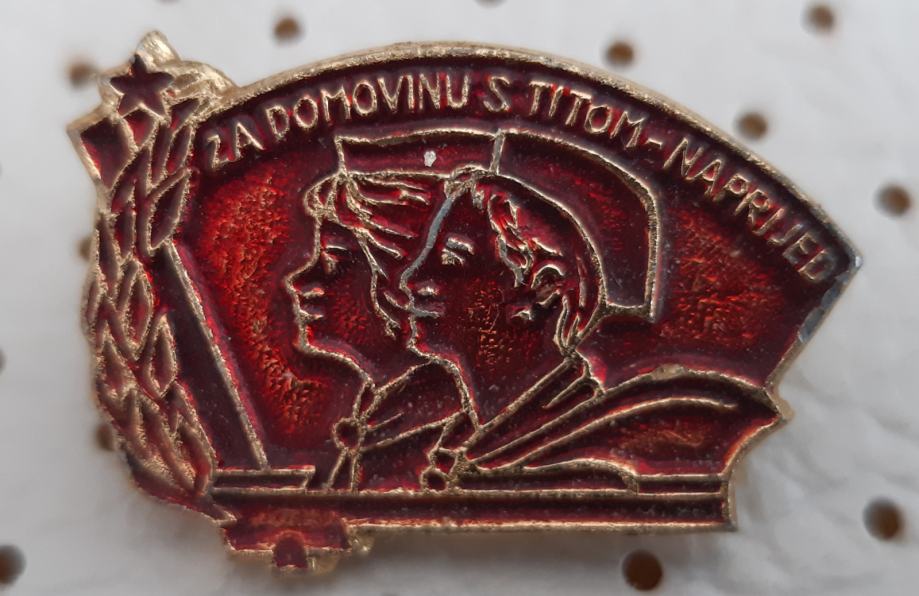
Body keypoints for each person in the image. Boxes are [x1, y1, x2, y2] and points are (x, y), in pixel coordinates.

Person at [285, 164, 470, 491]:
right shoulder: (378, 415)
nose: (300, 282)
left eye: (334, 259)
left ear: (401, 282)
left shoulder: (428, 429)